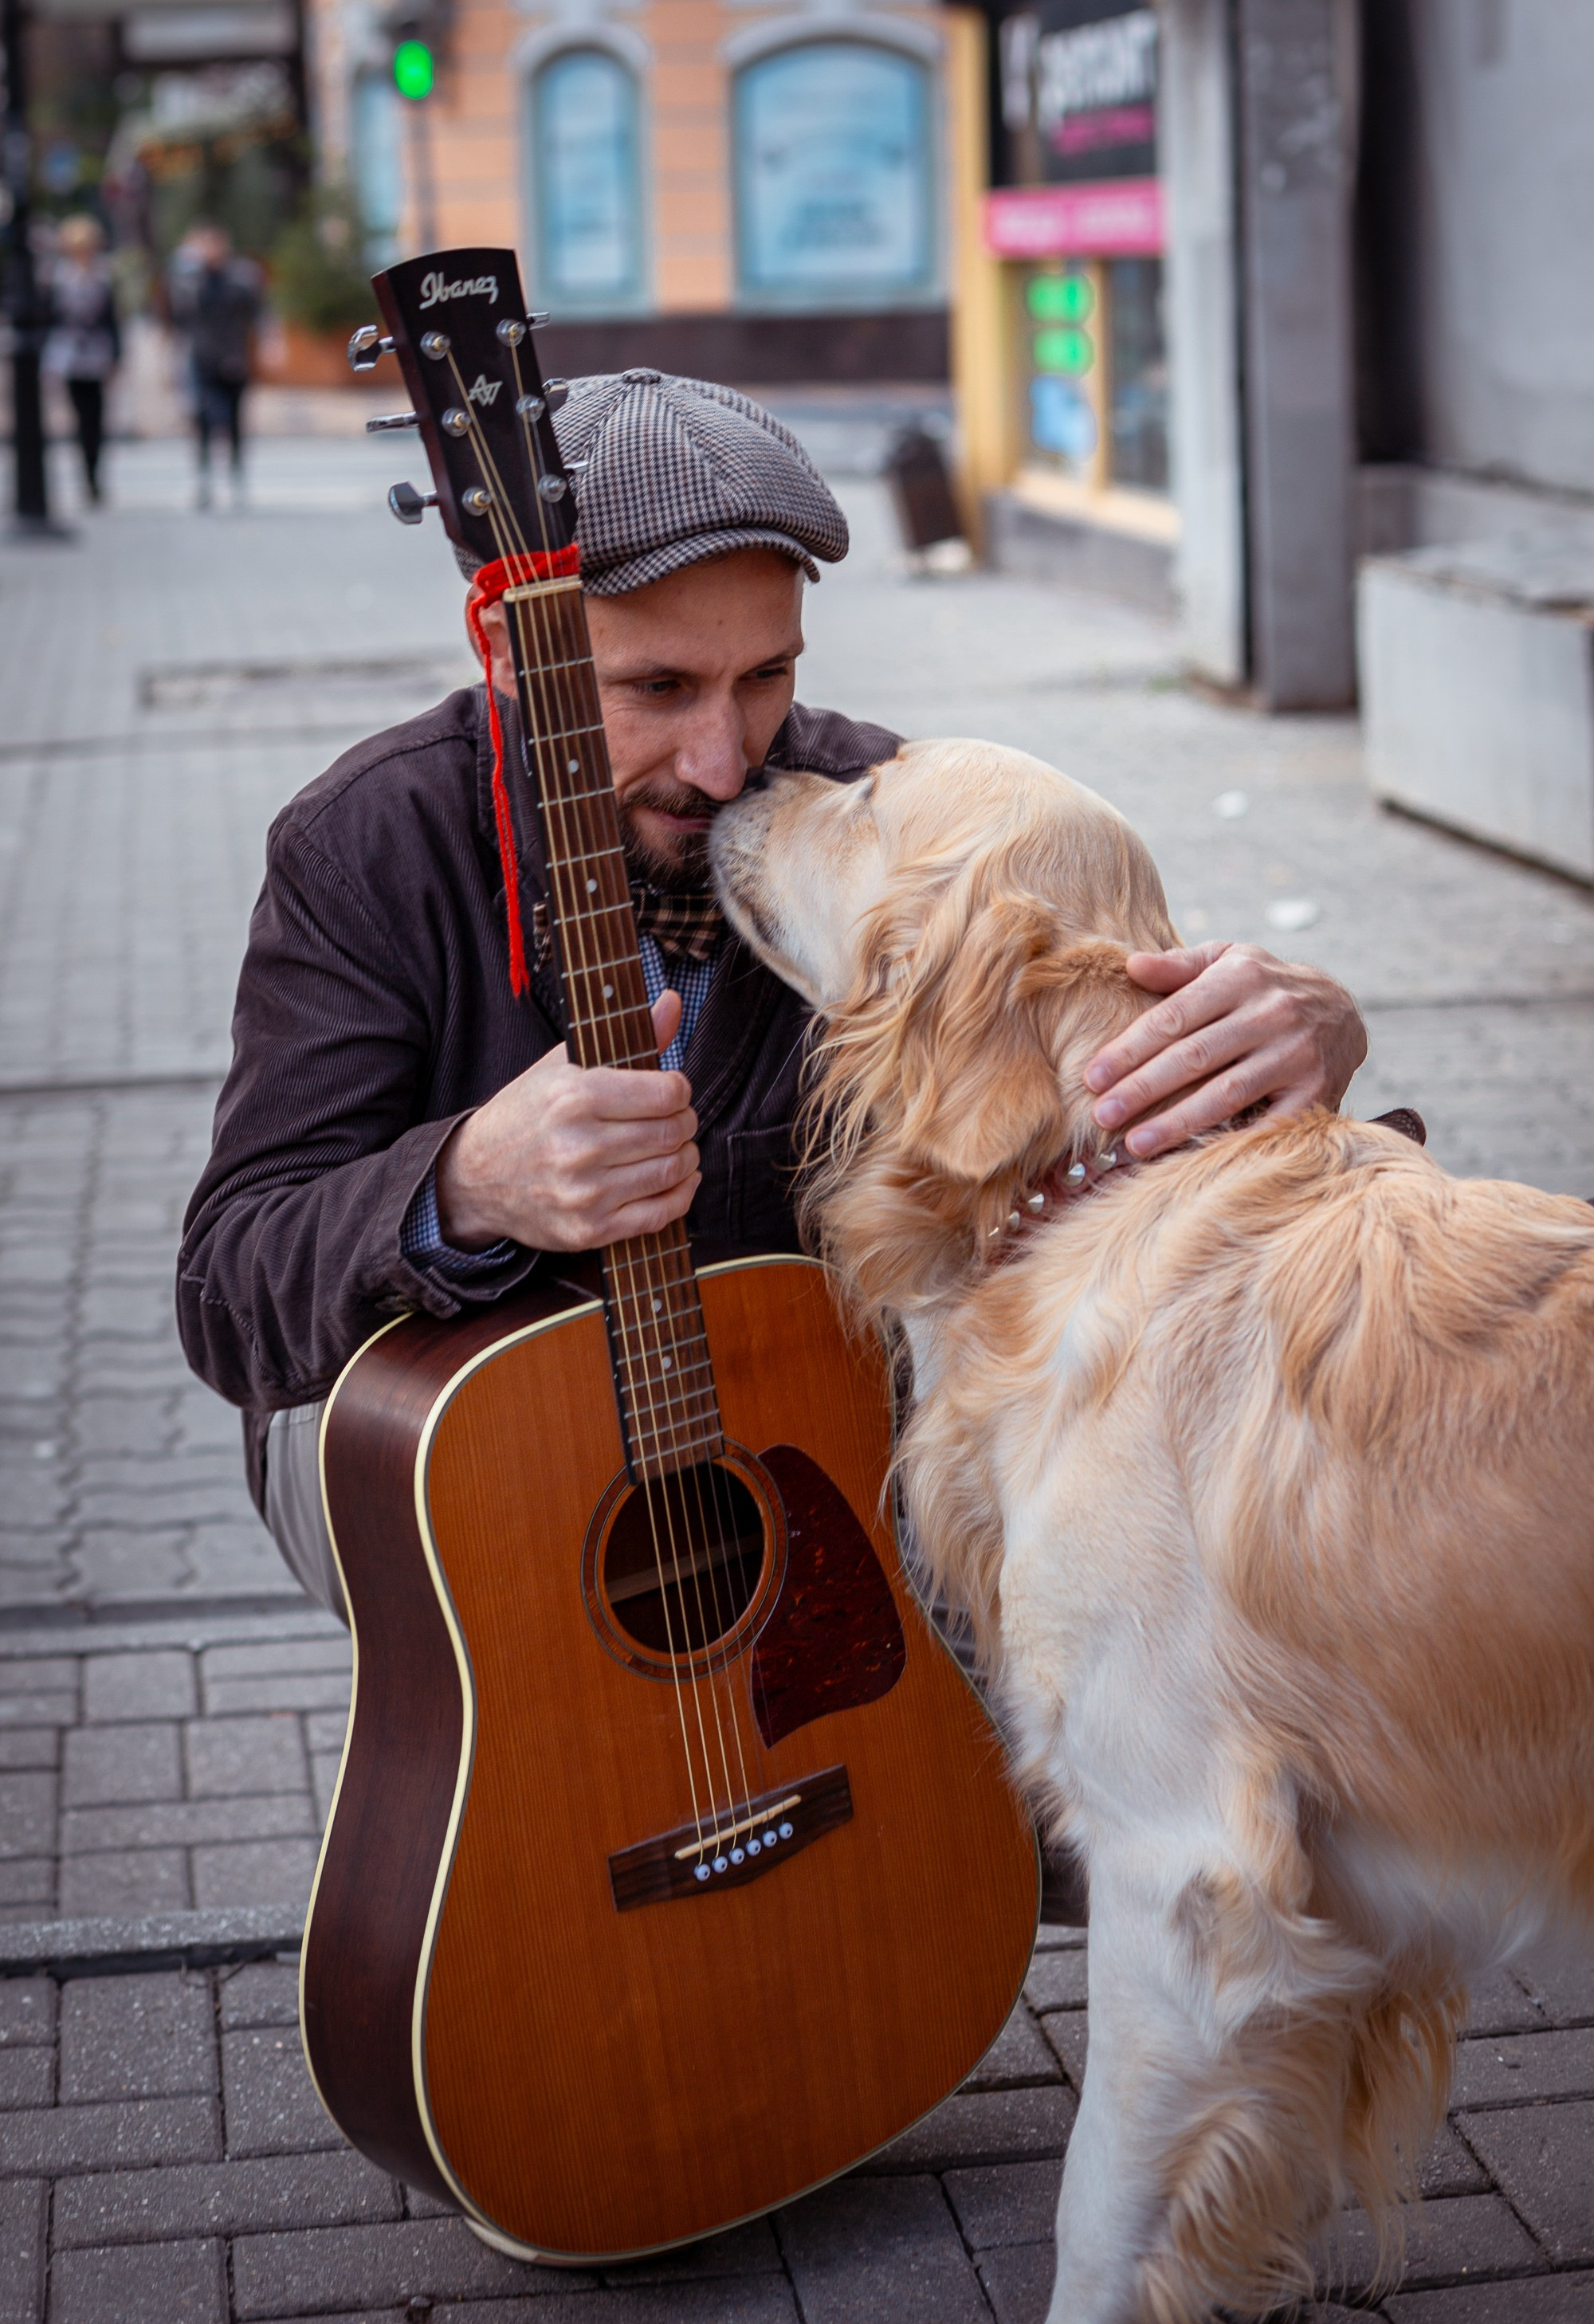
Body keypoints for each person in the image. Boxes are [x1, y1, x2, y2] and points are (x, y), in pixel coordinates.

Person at [179, 369, 1367, 1623]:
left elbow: (1118, 1154)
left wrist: (1303, 1049)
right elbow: (230, 1292)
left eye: (766, 676)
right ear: (511, 655)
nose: (723, 763)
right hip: (482, 1468)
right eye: (658, 688)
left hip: (802, 1465)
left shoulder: (871, 834)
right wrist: (464, 1185)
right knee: (388, 1485)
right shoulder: (368, 846)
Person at [166, 222, 262, 508]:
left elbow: (256, 312)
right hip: (202, 357)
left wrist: (266, 343)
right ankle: (204, 478)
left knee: (235, 420)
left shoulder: (240, 277)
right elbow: (176, 314)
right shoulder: (190, 280)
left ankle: (236, 475)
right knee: (202, 418)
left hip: (233, 356)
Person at [42, 215, 120, 507]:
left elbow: (112, 320)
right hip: (68, 353)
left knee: (96, 417)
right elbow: (49, 319)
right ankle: (85, 474)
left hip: (97, 353)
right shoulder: (58, 277)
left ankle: (94, 474)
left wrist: (117, 356)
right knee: (79, 416)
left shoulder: (103, 275)